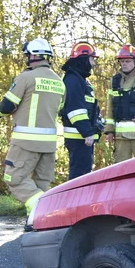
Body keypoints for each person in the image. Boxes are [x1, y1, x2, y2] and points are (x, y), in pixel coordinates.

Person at [0, 38, 65, 212]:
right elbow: (59, 109)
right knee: (42, 184)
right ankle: (39, 221)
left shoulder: (26, 77)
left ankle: (43, 209)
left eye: (28, 55)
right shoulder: (60, 82)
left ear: (33, 56)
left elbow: (7, 106)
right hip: (49, 144)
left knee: (14, 178)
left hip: (25, 142)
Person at [59, 41, 104, 179]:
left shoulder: (81, 79)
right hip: (79, 137)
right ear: (83, 59)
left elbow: (89, 108)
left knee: (84, 174)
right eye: (91, 59)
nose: (93, 63)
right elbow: (75, 110)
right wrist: (87, 132)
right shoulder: (73, 79)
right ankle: (73, 201)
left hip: (83, 137)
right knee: (79, 177)